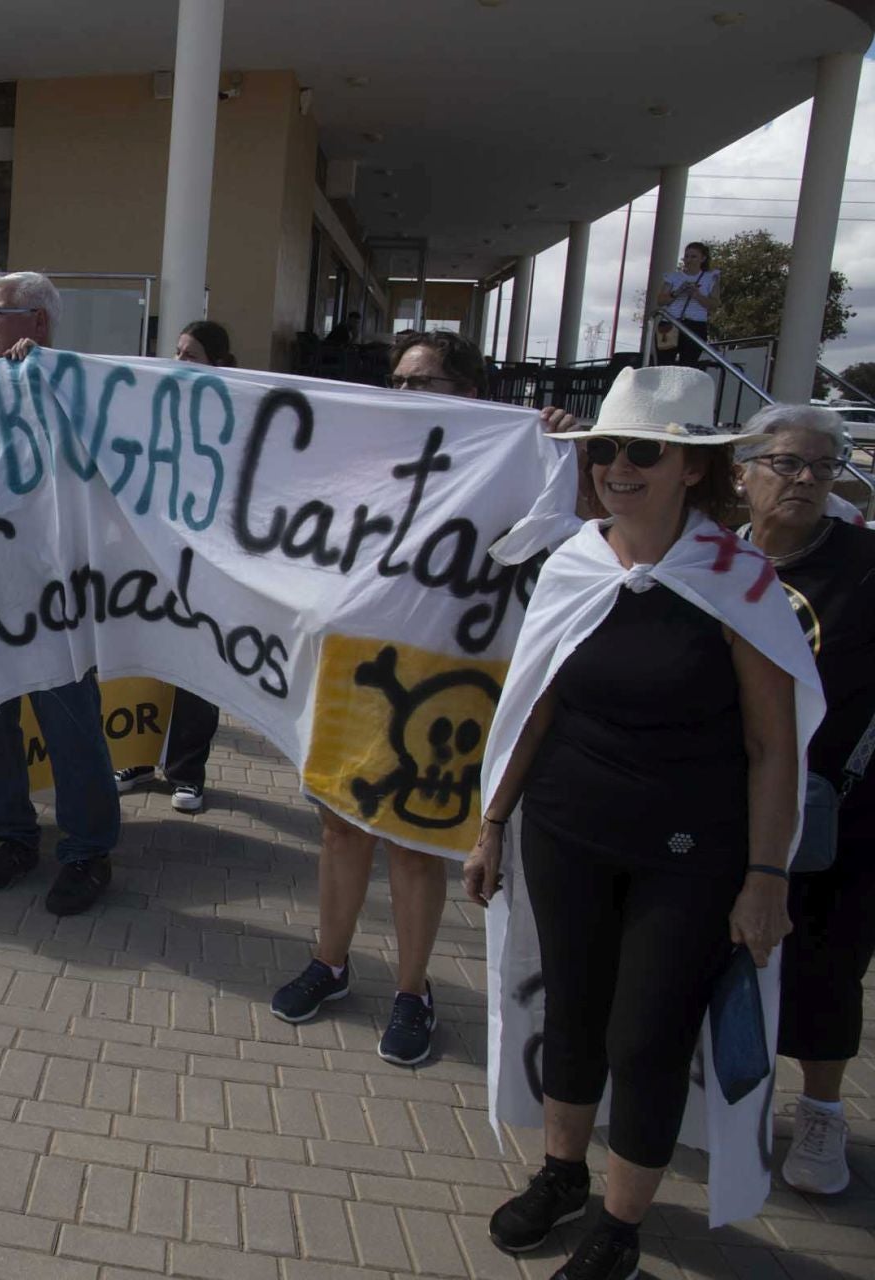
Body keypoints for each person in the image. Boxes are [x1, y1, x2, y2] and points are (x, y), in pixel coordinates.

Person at [468, 366, 815, 1279]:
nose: (618, 466)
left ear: (690, 468)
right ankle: (560, 1174)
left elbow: (773, 747)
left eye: (643, 451)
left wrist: (767, 877)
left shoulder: (740, 583)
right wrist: (493, 820)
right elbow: (534, 700)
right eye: (605, 450)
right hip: (566, 832)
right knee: (574, 1016)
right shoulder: (576, 561)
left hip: (690, 855)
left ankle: (621, 1225)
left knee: (648, 1036)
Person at [271, 328, 583, 1066]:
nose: (405, 394)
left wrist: (566, 446)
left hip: (450, 675)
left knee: (415, 848)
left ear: (467, 392)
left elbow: (566, 530)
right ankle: (332, 962)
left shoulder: (512, 454)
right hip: (358, 666)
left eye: (424, 381)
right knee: (343, 829)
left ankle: (413, 990)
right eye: (399, 381)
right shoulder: (366, 457)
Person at [0, 271, 121, 917]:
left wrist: (46, 372)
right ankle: (11, 835)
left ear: (38, 322)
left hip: (53, 594)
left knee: (70, 724)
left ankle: (88, 850)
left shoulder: (69, 383)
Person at [734, 404, 875, 1196]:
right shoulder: (714, 559)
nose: (806, 480)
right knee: (719, 954)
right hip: (729, 802)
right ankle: (725, 1097)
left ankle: (821, 1111)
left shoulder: (865, 564)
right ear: (742, 472)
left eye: (823, 466)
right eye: (788, 463)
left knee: (828, 966)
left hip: (841, 813)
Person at [114, 319, 238, 813]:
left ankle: (187, 772)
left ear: (217, 364)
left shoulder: (232, 412)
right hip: (151, 550)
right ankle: (136, 755)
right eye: (178, 351)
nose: (179, 361)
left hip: (206, 559)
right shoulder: (155, 403)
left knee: (196, 664)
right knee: (146, 655)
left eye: (191, 355)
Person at [656, 241, 720, 367]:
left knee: (689, 364)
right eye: (687, 256)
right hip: (670, 323)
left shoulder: (710, 278)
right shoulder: (673, 277)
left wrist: (697, 295)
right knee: (664, 363)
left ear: (703, 259)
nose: (689, 260)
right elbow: (661, 301)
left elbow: (714, 305)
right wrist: (678, 292)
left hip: (695, 324)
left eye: (693, 256)